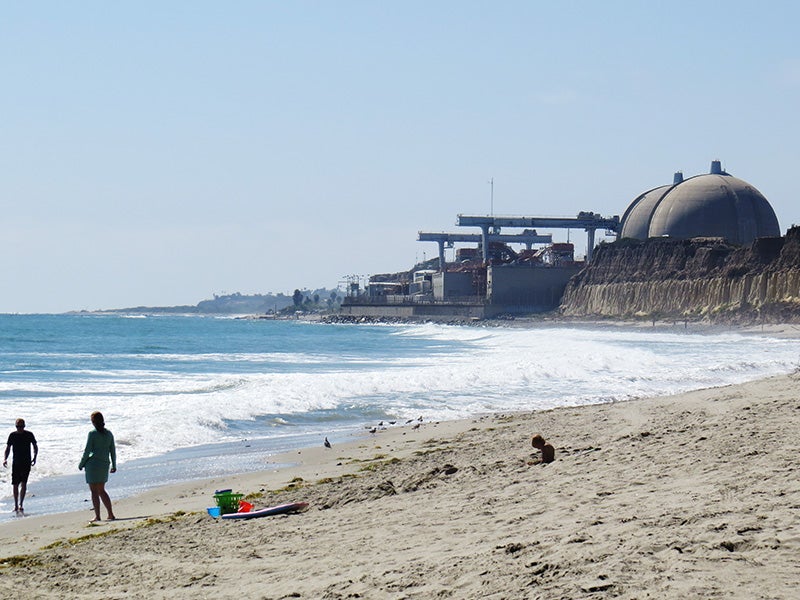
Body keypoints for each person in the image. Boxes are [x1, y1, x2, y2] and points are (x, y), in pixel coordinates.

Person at [78, 411, 117, 522]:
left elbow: (87, 451)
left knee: (94, 491)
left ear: (94, 422)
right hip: (104, 464)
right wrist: (114, 464)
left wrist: (81, 464)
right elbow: (112, 451)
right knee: (102, 490)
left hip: (93, 465)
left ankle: (98, 516)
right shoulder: (109, 434)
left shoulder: (92, 434)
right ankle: (110, 514)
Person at [3, 418, 38, 513]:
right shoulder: (12, 435)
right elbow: (8, 448)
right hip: (16, 462)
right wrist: (5, 459)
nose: (19, 428)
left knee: (24, 483)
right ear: (15, 426)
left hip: (26, 462)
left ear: (24, 426)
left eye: (21, 426)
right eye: (18, 426)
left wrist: (35, 457)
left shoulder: (29, 434)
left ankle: (21, 504)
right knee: (15, 484)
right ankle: (15, 505)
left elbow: (35, 446)